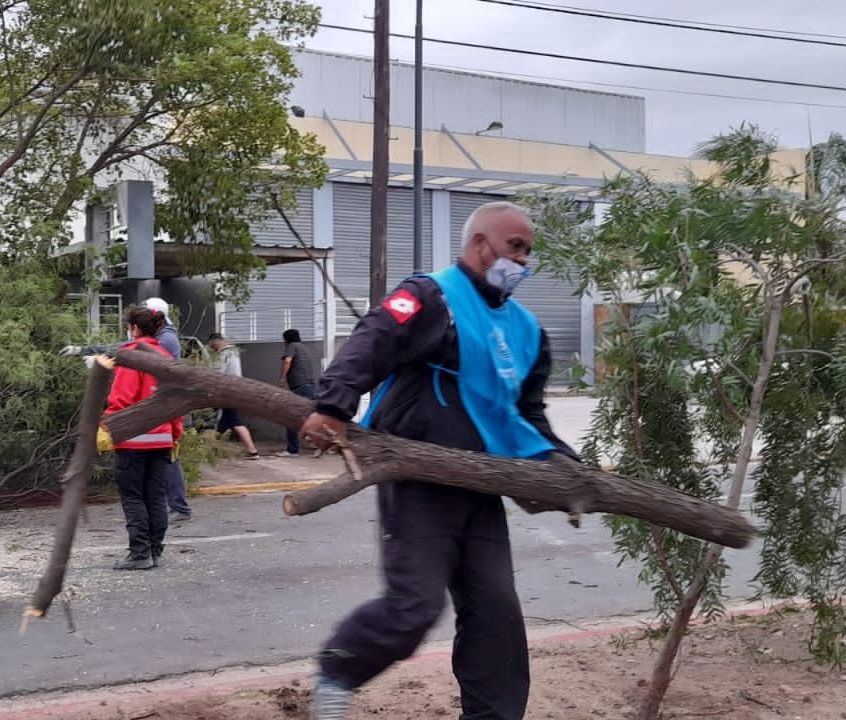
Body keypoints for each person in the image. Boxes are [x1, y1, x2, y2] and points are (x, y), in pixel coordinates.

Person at [298, 201, 578, 720]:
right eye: (516, 247)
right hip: (418, 479)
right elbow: (373, 340)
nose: (523, 260)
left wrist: (565, 469)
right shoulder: (433, 296)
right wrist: (334, 405)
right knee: (415, 607)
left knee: (497, 617)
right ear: (480, 245)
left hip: (483, 486)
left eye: (528, 252)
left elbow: (529, 414)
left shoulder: (527, 331)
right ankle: (340, 671)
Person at [102, 306, 184, 570]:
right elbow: (175, 401)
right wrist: (175, 432)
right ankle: (155, 550)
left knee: (133, 495)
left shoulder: (131, 355)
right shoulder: (164, 356)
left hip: (133, 439)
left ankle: (139, 553)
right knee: (155, 496)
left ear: (133, 328)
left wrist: (106, 426)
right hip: (161, 438)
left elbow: (121, 399)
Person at [143, 297, 193, 522]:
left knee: (168, 455)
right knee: (160, 454)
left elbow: (145, 361)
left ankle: (180, 507)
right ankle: (170, 504)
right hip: (162, 402)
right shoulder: (162, 337)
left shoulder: (166, 340)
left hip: (167, 403)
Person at [206, 333, 260, 459]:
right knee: (222, 423)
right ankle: (210, 449)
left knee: (236, 422)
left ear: (216, 343)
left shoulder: (225, 354)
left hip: (228, 393)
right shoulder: (233, 352)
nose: (213, 349)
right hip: (233, 391)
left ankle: (252, 451)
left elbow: (218, 372)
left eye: (212, 346)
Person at [277, 328, 316, 457]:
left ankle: (292, 449)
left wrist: (282, 378)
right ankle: (319, 444)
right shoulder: (304, 348)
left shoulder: (292, 346)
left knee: (291, 417)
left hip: (299, 386)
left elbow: (287, 360)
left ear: (286, 339)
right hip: (309, 386)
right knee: (308, 417)